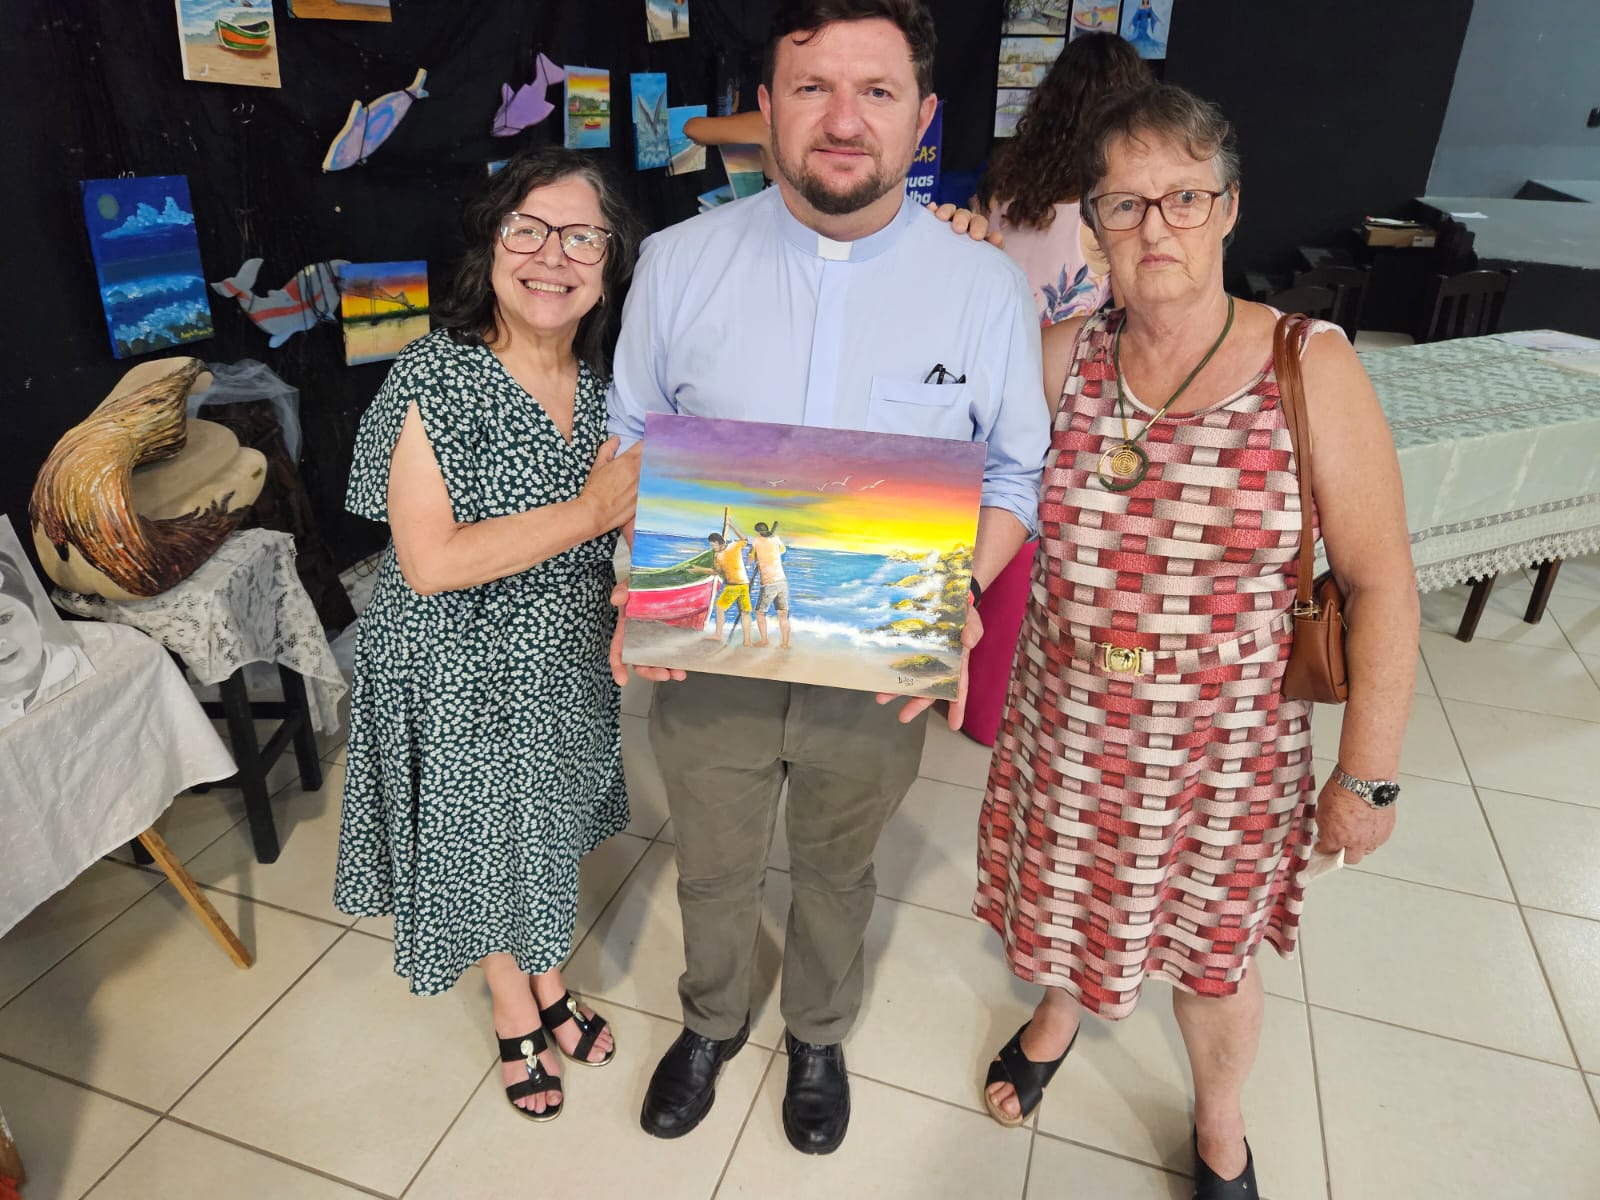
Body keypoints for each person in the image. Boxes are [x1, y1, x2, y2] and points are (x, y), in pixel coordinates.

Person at [608, 0, 1047, 1156]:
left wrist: (957, 593)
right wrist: (634, 572)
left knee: (838, 867)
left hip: (881, 648)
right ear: (766, 109)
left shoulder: (982, 287)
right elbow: (628, 439)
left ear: (923, 117)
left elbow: (1016, 470)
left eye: (876, 91)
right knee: (711, 860)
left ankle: (817, 1032)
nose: (843, 119)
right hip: (711, 638)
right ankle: (711, 1019)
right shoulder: (677, 264)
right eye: (811, 87)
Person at [974, 84, 1418, 1197]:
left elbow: (1381, 584)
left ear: (1229, 208)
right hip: (1069, 730)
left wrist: (1367, 774)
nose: (1155, 226)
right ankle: (1060, 1015)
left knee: (1212, 962)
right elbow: (936, 463)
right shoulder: (1060, 358)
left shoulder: (1307, 366)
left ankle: (1220, 1122)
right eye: (1124, 204)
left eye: (1183, 197)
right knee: (1070, 911)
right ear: (1092, 224)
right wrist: (946, 264)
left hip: (1227, 753)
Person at [333, 147, 643, 1123]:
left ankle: (549, 977)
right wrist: (593, 511)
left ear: (609, 262)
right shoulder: (436, 374)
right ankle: (516, 1005)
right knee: (483, 840)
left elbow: (637, 526)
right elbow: (428, 561)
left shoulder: (608, 386)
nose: (552, 256)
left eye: (581, 237)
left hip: (565, 657)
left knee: (545, 826)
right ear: (492, 244)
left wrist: (643, 587)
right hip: (453, 667)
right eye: (528, 229)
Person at [961, 31, 1153, 750]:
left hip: (983, 381)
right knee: (1041, 547)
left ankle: (968, 691)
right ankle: (1005, 706)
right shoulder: (1116, 207)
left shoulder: (1007, 177)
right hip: (1066, 396)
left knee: (985, 531)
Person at [700, 526, 755, 645]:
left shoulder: (732, 547)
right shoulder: (720, 554)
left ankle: (718, 635)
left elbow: (744, 539)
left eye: (713, 545)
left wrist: (732, 525)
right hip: (744, 584)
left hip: (733, 586)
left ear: (719, 542)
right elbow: (716, 571)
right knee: (745, 612)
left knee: (720, 608)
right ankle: (747, 641)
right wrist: (700, 569)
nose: (712, 548)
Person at [749, 520, 791, 647]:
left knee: (759, 612)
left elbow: (750, 559)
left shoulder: (756, 541)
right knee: (783, 614)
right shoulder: (776, 538)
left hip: (768, 583)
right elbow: (782, 550)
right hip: (782, 581)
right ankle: (785, 643)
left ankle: (764, 640)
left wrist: (757, 558)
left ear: (758, 532)